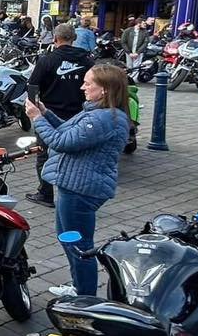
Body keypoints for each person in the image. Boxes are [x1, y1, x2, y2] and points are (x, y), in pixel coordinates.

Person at [26, 63, 131, 297]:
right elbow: (68, 132)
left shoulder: (104, 118)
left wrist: (36, 119)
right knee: (68, 239)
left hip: (81, 191)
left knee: (79, 245)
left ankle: (85, 296)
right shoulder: (97, 112)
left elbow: (62, 142)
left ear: (104, 89)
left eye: (88, 83)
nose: (82, 86)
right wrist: (45, 113)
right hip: (73, 187)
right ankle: (79, 286)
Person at [25, 23, 95, 206]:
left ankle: (45, 193)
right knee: (76, 155)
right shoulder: (87, 61)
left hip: (49, 114)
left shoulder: (47, 60)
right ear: (74, 39)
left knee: (44, 154)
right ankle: (76, 193)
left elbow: (32, 86)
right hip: (78, 114)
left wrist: (34, 110)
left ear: (55, 39)